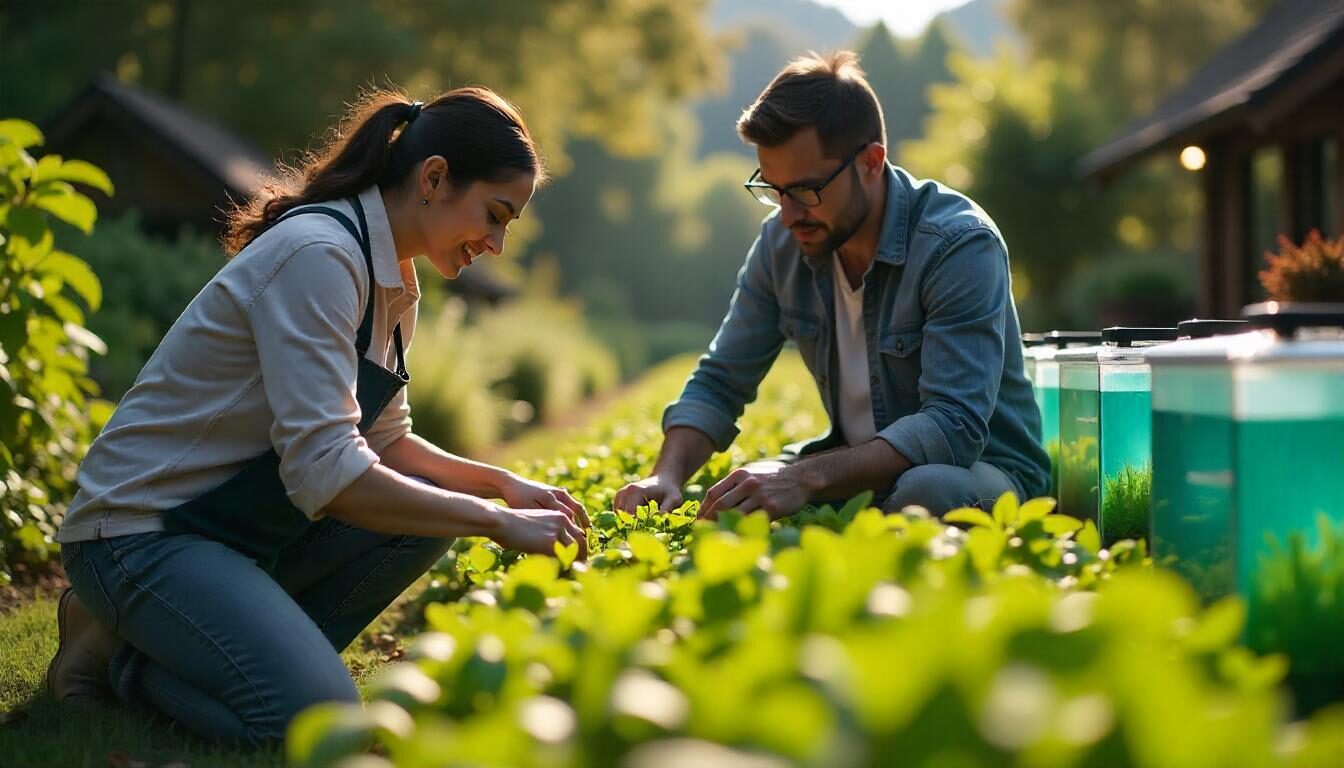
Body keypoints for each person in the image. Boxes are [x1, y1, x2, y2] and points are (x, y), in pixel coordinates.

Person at [45, 86, 589, 748]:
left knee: (436, 510)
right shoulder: (321, 256)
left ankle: (213, 652)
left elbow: (386, 440)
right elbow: (328, 472)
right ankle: (126, 661)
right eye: (495, 214)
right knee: (316, 727)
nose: (499, 243)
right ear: (435, 177)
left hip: (225, 536)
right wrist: (499, 521)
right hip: (141, 533)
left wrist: (498, 483)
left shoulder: (394, 282)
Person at [615, 51, 1049, 521]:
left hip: (980, 471)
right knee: (740, 496)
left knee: (925, 490)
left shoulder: (958, 246)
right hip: (854, 467)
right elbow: (722, 378)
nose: (786, 213)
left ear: (871, 162)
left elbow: (953, 427)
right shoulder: (781, 242)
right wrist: (667, 474)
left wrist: (803, 477)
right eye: (772, 189)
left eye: (804, 191)